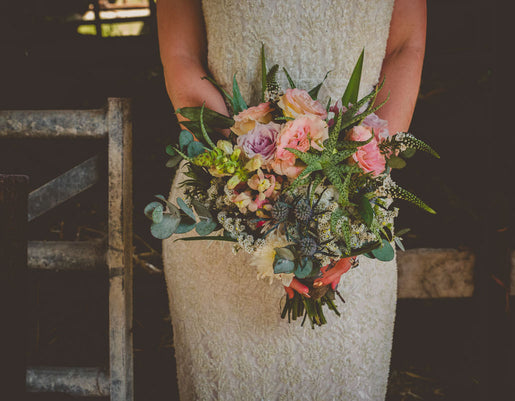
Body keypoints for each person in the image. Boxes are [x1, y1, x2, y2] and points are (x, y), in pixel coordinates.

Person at [157, 1, 426, 399]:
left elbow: (406, 46)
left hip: (352, 208)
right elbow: (181, 56)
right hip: (222, 201)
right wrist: (247, 177)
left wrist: (356, 184)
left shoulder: (354, 199)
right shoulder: (232, 187)